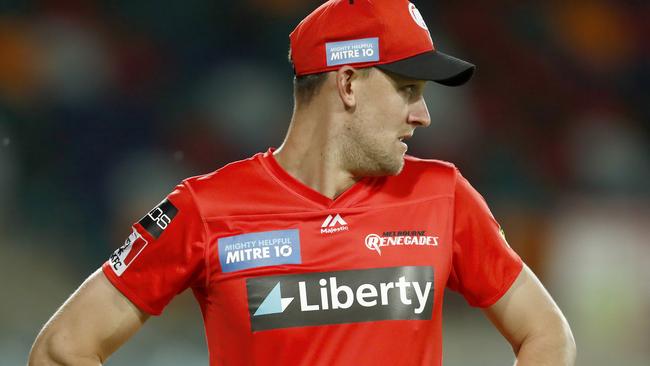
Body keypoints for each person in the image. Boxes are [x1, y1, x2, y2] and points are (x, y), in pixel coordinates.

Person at [29, 0, 576, 365]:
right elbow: (62, 349)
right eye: (409, 89)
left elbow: (547, 334)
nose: (423, 115)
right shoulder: (203, 210)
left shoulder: (444, 196)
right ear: (348, 82)